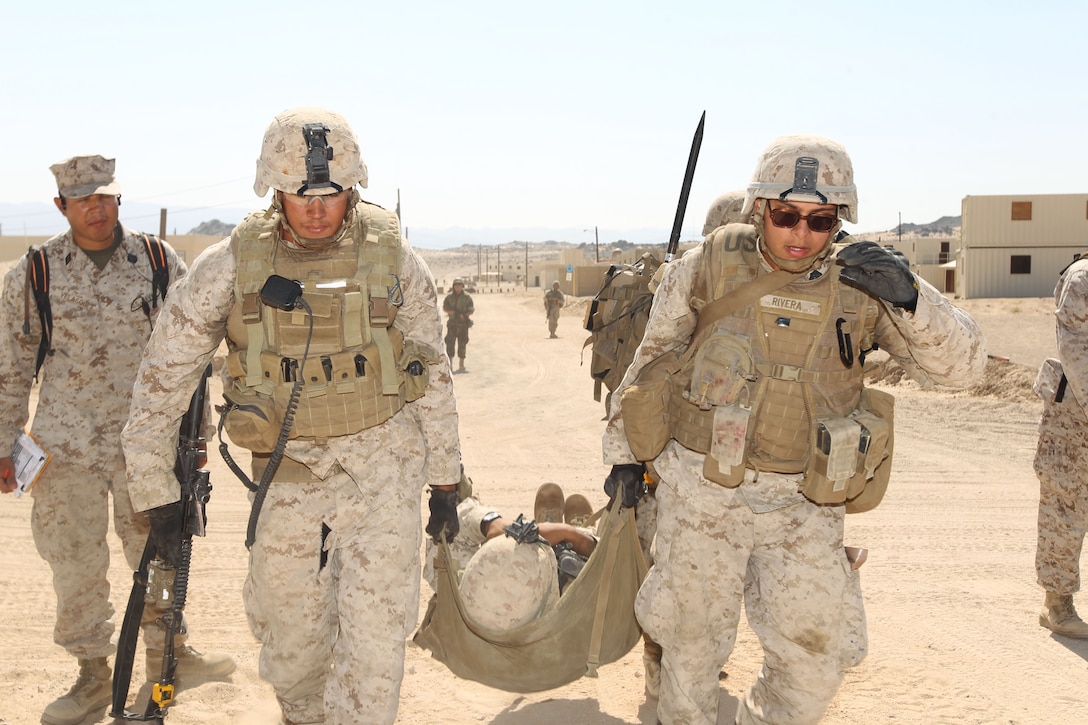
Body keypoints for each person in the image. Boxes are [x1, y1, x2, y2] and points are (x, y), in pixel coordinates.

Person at [602, 135, 987, 725]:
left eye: (821, 220)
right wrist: (625, 458)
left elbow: (964, 368)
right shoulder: (706, 266)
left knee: (814, 661)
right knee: (690, 653)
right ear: (760, 209)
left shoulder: (865, 282)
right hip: (704, 492)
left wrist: (912, 299)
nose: (801, 234)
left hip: (805, 503)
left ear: (841, 219)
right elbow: (650, 360)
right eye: (786, 216)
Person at [120, 107, 462, 725]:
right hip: (288, 472)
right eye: (301, 192)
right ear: (273, 188)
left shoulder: (394, 259)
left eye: (331, 193)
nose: (316, 207)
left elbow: (431, 372)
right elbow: (163, 375)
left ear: (352, 186)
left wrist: (445, 478)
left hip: (382, 468)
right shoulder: (232, 263)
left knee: (374, 649)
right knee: (292, 649)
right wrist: (153, 486)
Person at [0, 155, 234, 725]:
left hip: (148, 449)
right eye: (82, 199)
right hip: (66, 452)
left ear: (118, 198)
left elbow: (195, 357)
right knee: (74, 564)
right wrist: (6, 445)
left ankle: (167, 662)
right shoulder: (34, 275)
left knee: (159, 553)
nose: (95, 206)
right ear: (61, 205)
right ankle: (91, 676)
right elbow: (9, 368)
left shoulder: (157, 261)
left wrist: (197, 436)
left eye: (103, 196)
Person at [1033, 253, 1088, 638]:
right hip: (1075, 418)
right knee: (1065, 509)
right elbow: (1077, 351)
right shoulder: (1083, 278)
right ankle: (1057, 604)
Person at [443, 278, 474, 372]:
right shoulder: (449, 297)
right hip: (452, 324)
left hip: (463, 325)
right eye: (456, 285)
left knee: (462, 343)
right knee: (450, 344)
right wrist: (450, 311)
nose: (458, 287)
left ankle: (461, 364)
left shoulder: (467, 297)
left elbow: (471, 309)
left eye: (459, 285)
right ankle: (450, 365)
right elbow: (444, 307)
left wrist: (464, 315)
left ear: (462, 286)